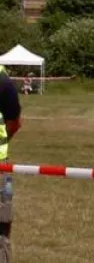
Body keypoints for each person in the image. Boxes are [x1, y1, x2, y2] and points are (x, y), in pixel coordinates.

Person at [0, 64, 24, 263]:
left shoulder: (3, 82)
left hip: (1, 168)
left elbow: (14, 121)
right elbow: (15, 123)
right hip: (2, 166)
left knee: (2, 223)